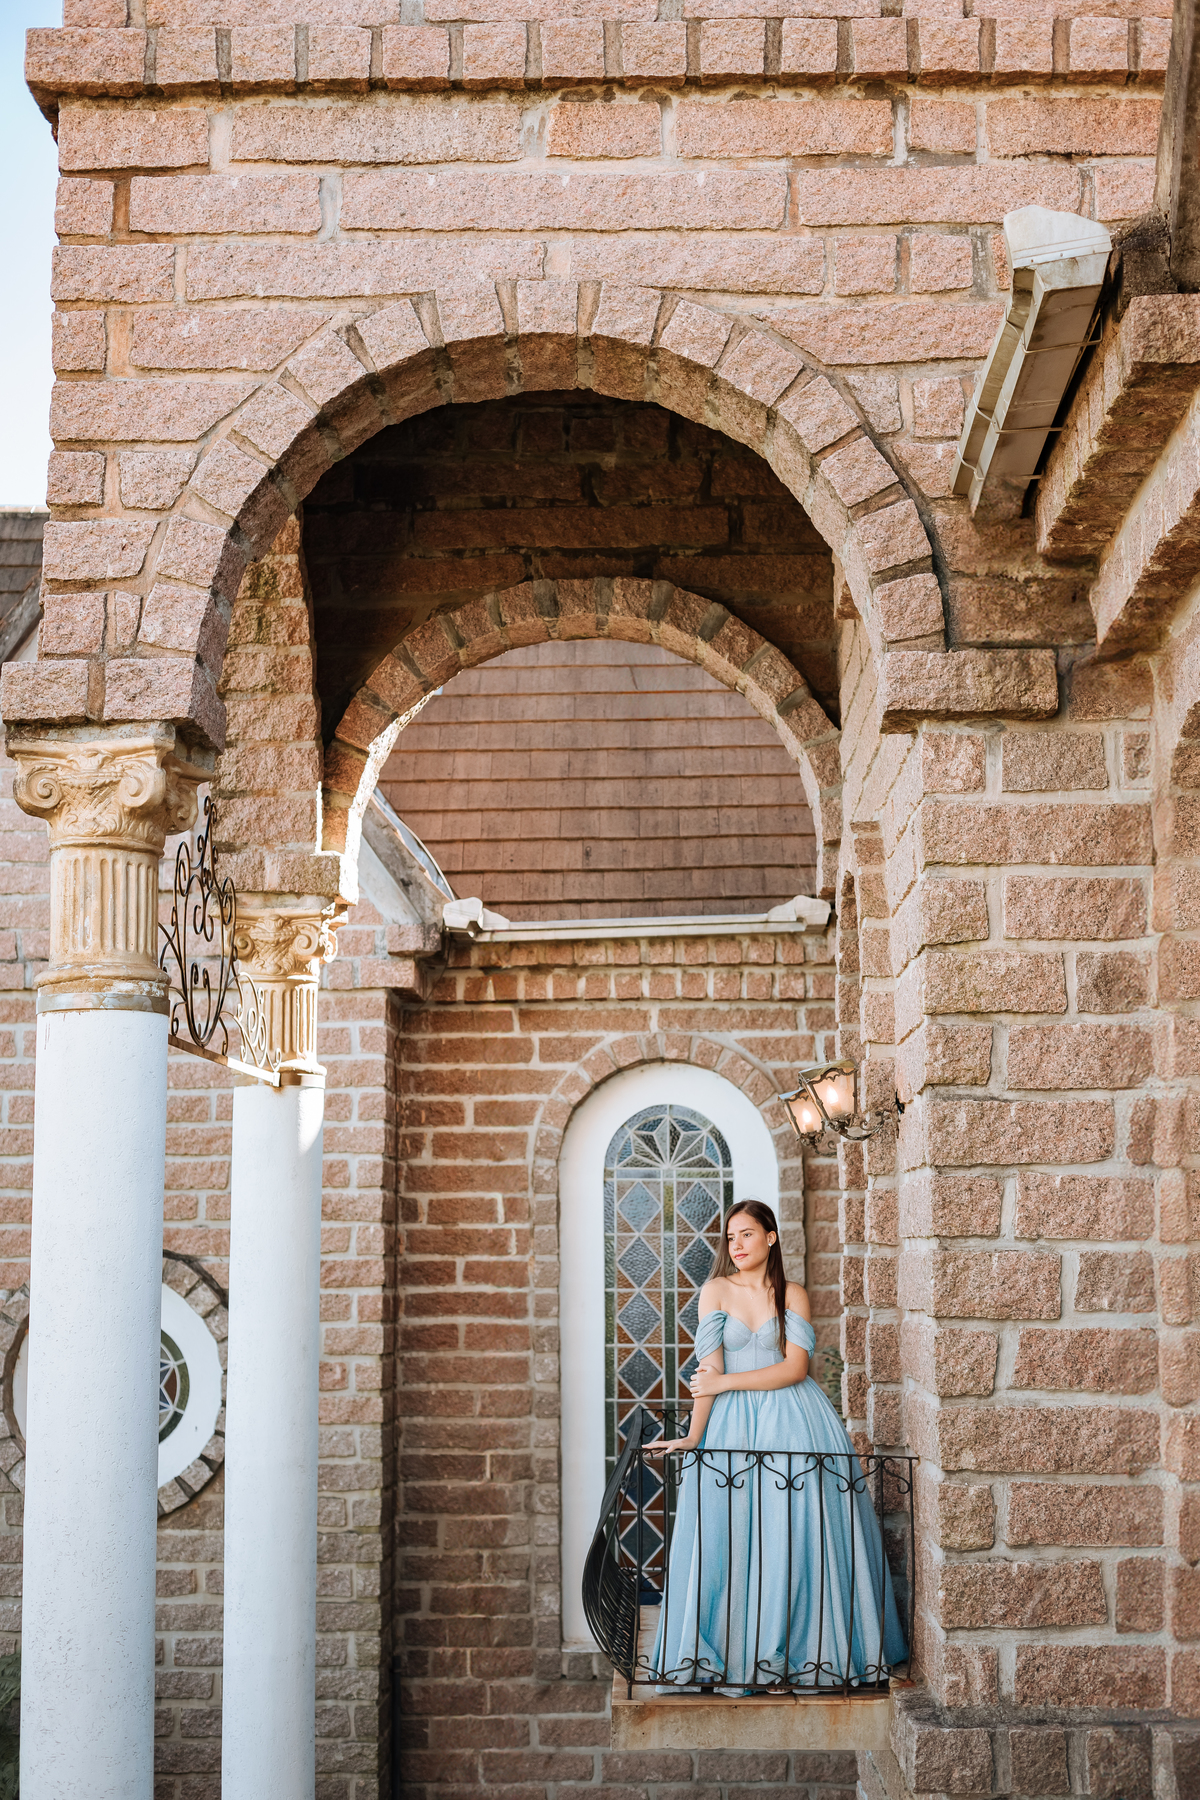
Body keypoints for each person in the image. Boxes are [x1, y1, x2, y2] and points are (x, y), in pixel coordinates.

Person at [644, 1199, 906, 1692]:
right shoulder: (715, 1291)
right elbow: (709, 1371)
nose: (736, 1245)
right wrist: (694, 1435)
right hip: (732, 1429)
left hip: (793, 1419)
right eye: (729, 1237)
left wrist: (723, 1387)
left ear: (771, 1237)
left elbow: (794, 1369)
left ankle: (794, 1657)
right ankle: (734, 1656)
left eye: (746, 1234)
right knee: (733, 1533)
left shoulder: (793, 1294)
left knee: (795, 1533)